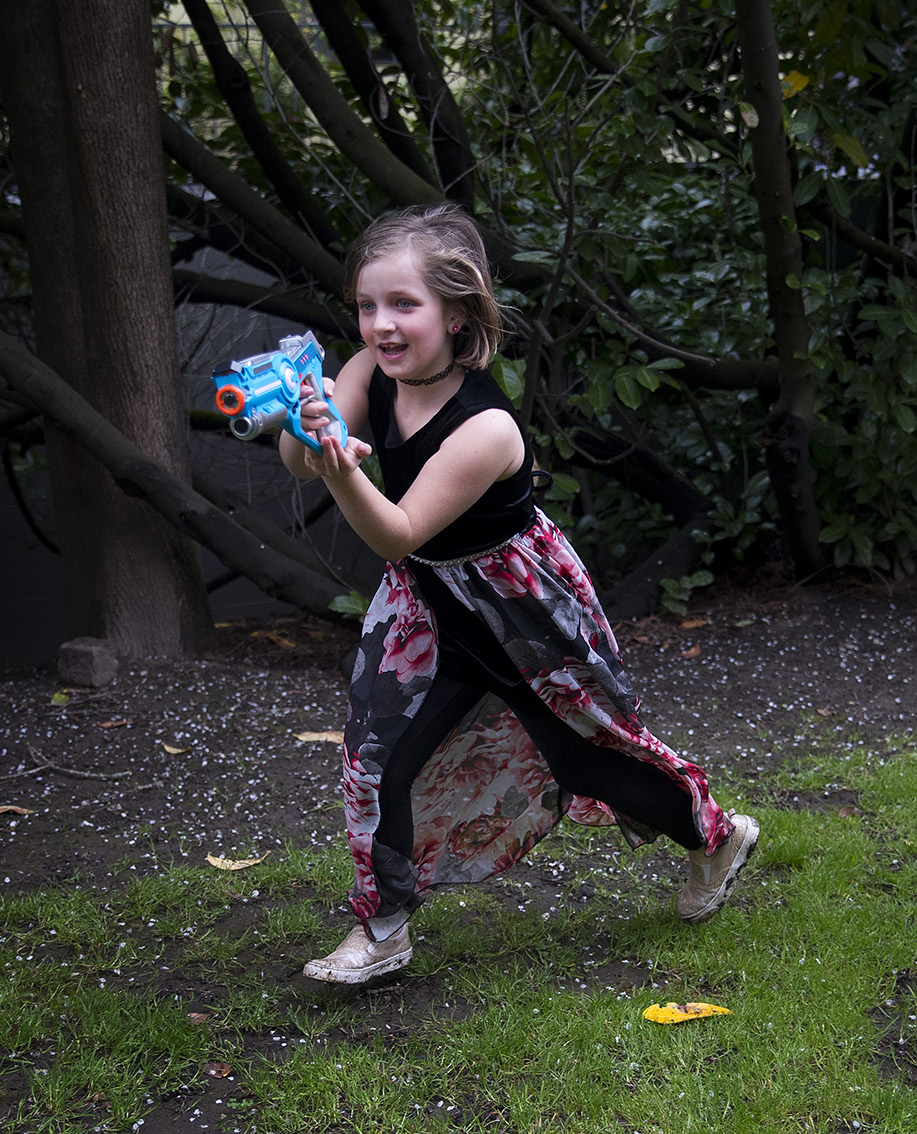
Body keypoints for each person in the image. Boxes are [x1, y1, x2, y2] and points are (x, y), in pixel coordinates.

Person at [279, 203, 758, 984]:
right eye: (367, 305)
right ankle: (382, 929)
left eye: (403, 304)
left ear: (457, 312)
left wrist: (337, 468)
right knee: (377, 760)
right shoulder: (367, 372)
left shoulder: (487, 428)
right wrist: (303, 425)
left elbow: (396, 531)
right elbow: (303, 463)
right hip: (428, 614)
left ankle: (718, 836)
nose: (381, 325)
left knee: (590, 762)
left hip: (518, 616)